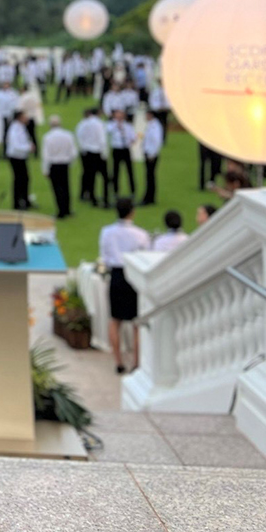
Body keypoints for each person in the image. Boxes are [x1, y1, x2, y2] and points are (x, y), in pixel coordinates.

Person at [99, 197, 150, 374]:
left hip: (117, 274)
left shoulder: (107, 232)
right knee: (136, 322)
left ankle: (118, 361)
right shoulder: (141, 234)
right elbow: (146, 255)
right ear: (132, 212)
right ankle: (136, 362)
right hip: (132, 275)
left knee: (115, 320)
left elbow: (104, 255)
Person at [40, 115, 78, 219]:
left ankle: (61, 211)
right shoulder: (68, 135)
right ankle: (67, 209)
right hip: (65, 164)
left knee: (57, 188)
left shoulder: (47, 137)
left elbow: (45, 155)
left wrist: (45, 169)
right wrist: (70, 161)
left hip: (54, 165)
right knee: (66, 187)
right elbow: (74, 152)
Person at [75, 107, 107, 208]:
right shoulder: (99, 123)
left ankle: (91, 196)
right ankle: (105, 198)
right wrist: (104, 153)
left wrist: (84, 148)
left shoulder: (83, 123)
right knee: (105, 176)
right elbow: (102, 139)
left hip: (87, 151)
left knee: (89, 175)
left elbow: (79, 136)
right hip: (97, 152)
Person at [5, 109, 34, 210]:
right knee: (19, 179)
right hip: (16, 157)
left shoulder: (21, 127)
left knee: (25, 179)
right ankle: (17, 202)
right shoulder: (14, 129)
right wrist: (28, 148)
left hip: (21, 156)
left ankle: (25, 200)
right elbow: (15, 145)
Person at [106, 109, 137, 198]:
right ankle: (115, 191)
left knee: (130, 171)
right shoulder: (111, 125)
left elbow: (133, 137)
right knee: (116, 171)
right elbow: (108, 131)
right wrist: (117, 126)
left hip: (126, 149)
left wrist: (130, 140)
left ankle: (132, 190)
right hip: (116, 149)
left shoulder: (128, 126)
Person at [142, 109, 164, 205]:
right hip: (149, 153)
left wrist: (152, 154)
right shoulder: (151, 125)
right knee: (149, 176)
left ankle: (150, 198)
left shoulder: (155, 126)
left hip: (151, 155)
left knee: (150, 176)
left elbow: (156, 141)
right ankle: (148, 196)